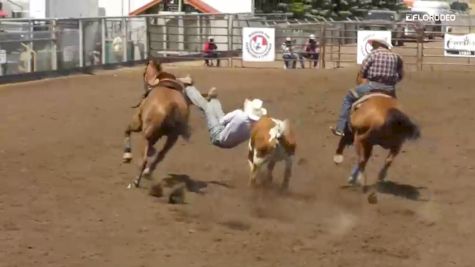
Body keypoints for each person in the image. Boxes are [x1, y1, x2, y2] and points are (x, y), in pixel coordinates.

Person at [330, 37, 404, 137]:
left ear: (378, 46)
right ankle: (399, 129)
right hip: (389, 89)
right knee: (396, 107)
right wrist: (392, 81)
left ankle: (340, 128)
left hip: (372, 86)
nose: (373, 47)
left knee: (348, 97)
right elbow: (400, 75)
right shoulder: (397, 57)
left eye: (374, 45)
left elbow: (363, 71)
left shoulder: (373, 54)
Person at [181, 76, 267, 148]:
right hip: (230, 143)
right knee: (211, 108)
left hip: (218, 136)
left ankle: (189, 87)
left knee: (207, 107)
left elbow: (222, 121)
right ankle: (211, 99)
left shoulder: (239, 114)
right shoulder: (256, 126)